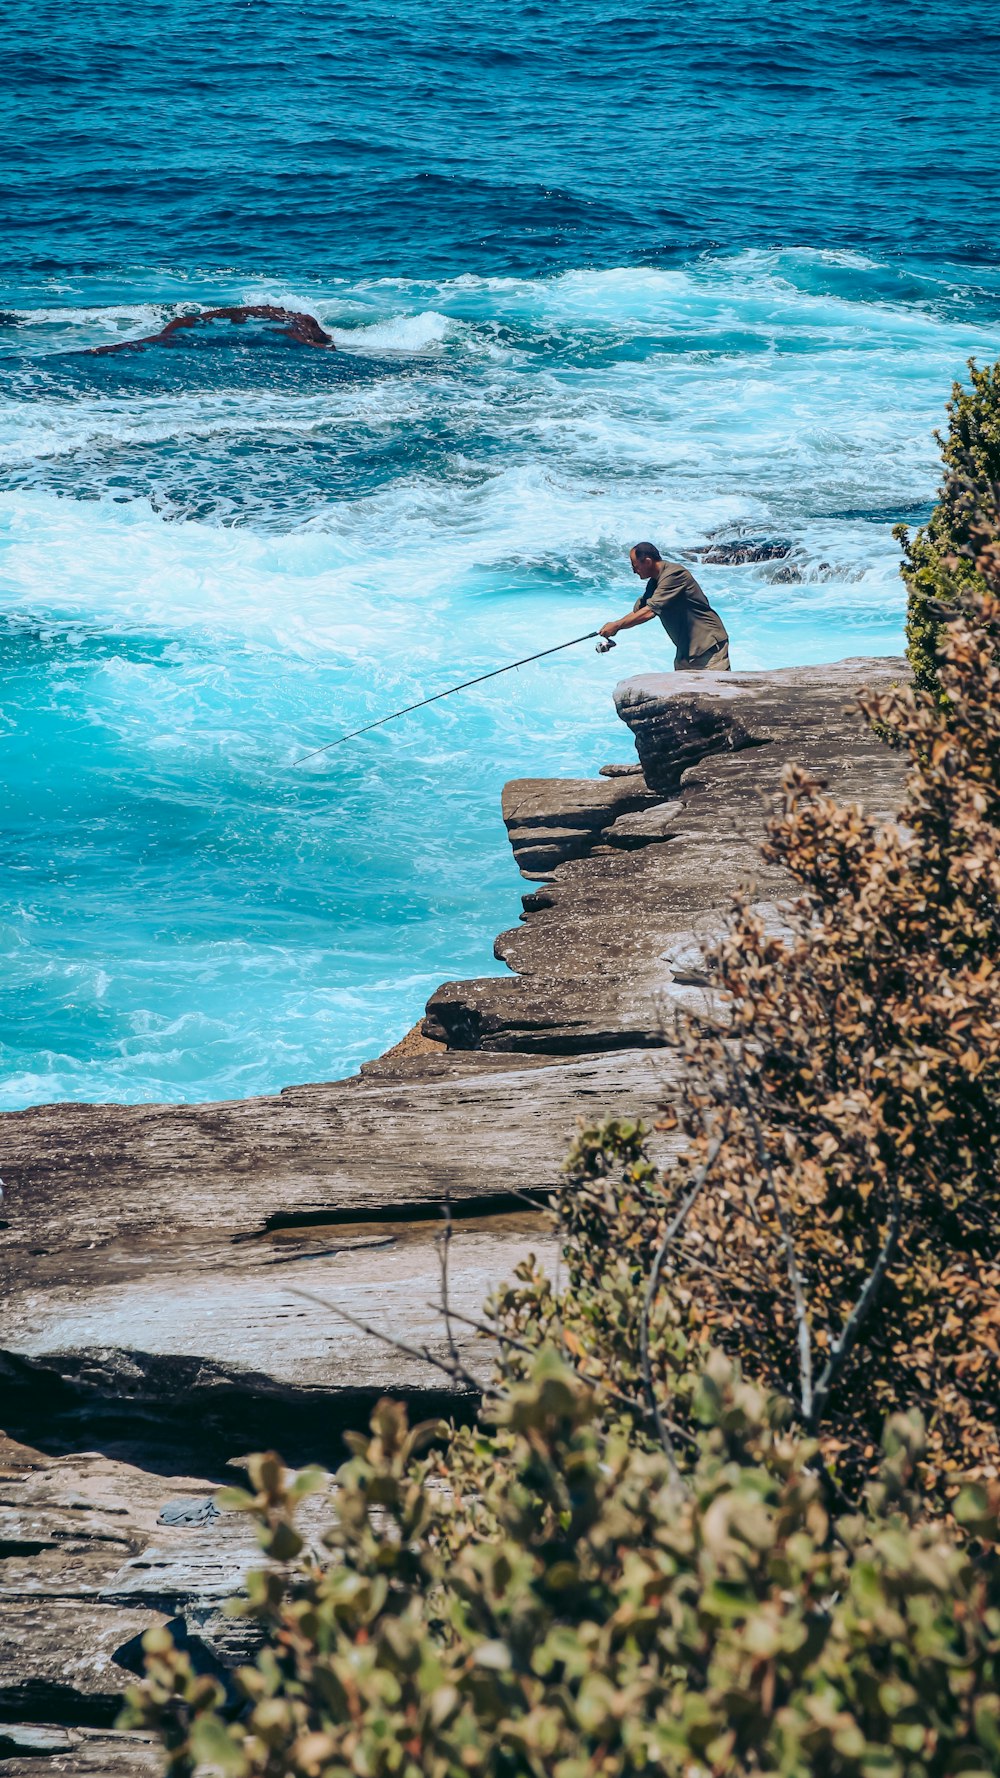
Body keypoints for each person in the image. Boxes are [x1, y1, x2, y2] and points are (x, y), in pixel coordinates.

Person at [599, 543, 730, 670]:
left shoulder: (675, 575)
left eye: (635, 565)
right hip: (687, 650)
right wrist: (615, 625)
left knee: (716, 690)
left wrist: (617, 626)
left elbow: (649, 612)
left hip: (709, 647)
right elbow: (639, 611)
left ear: (648, 562)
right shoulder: (654, 582)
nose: (633, 570)